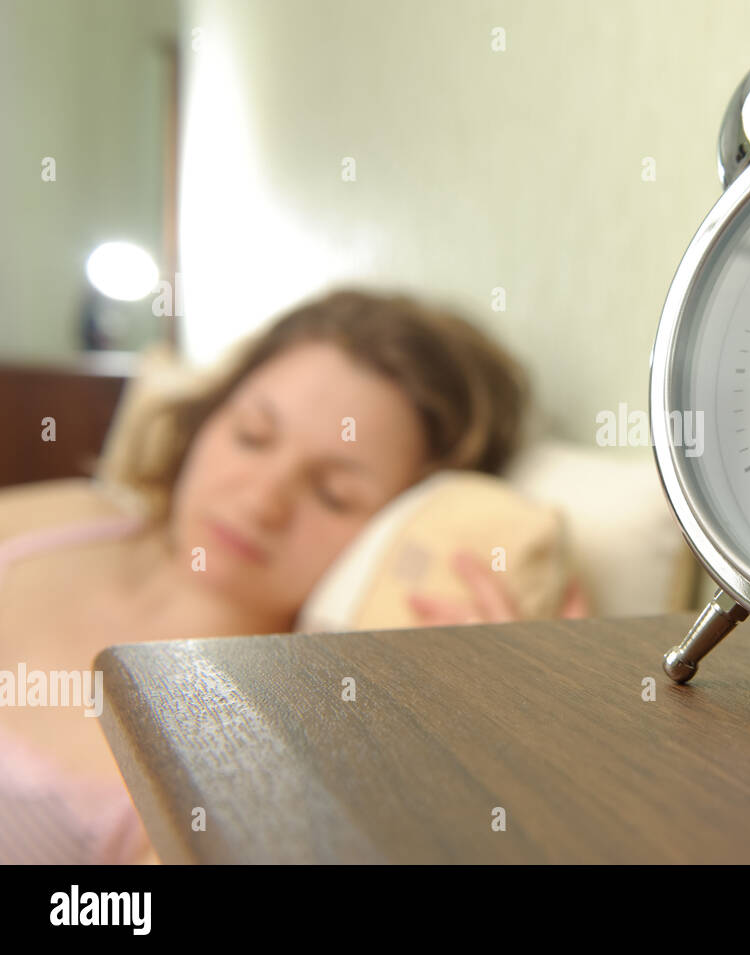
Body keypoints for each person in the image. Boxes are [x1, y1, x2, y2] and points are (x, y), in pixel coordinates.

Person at [0, 288, 588, 864]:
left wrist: (505, 748)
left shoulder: (264, 752)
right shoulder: (68, 518)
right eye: (251, 435)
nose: (261, 500)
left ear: (386, 535)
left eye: (333, 495)